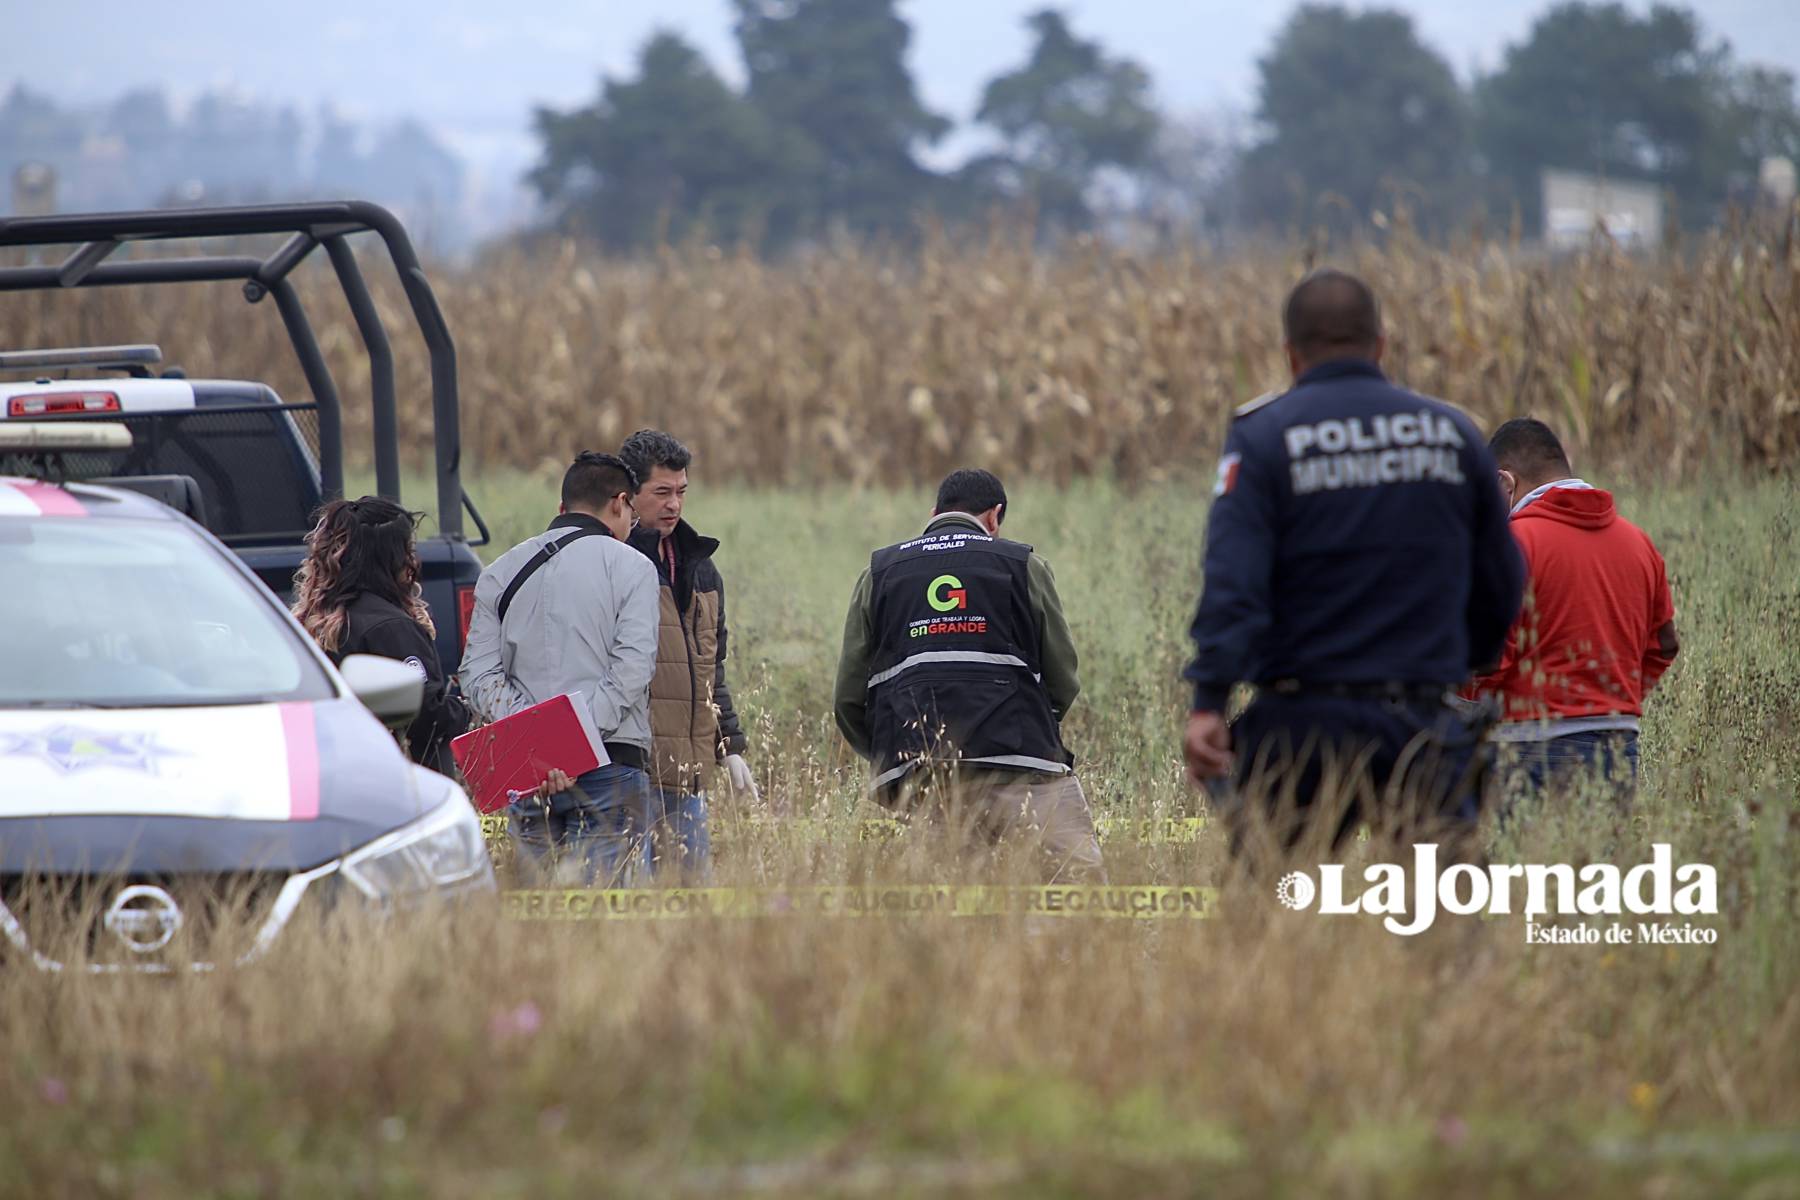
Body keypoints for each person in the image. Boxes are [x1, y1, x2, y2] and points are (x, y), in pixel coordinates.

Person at [1182, 269, 1526, 858]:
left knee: (1271, 917)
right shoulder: (1452, 435)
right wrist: (1458, 662)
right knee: (1443, 919)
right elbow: (1503, 577)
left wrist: (1210, 700)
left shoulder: (1265, 436)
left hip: (1301, 725)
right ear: (1381, 346)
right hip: (1423, 719)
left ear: (1291, 354)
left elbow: (1233, 583)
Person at [833, 468, 1102, 881]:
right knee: (1077, 894)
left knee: (945, 913)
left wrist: (895, 755)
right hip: (1024, 765)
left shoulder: (879, 574)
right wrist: (1029, 726)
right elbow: (1064, 678)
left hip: (927, 781)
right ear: (994, 517)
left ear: (934, 512)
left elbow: (848, 699)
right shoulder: (1023, 564)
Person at [458, 452, 660, 885]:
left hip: (525, 769)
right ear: (620, 503)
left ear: (562, 508)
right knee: (606, 926)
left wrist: (538, 745)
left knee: (534, 929)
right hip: (611, 764)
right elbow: (631, 671)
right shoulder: (634, 568)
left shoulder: (499, 572)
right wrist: (570, 747)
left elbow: (477, 676)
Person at [1473, 418, 1678, 808]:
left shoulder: (1512, 544)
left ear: (1505, 483)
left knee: (1524, 867)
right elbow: (1665, 643)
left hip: (1526, 746)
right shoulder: (1638, 543)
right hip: (1617, 744)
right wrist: (1615, 694)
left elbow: (1492, 652)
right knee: (1599, 866)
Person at [619, 430, 754, 881]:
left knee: (693, 913)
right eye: (661, 492)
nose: (674, 504)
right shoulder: (612, 563)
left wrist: (729, 746)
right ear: (629, 496)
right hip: (629, 773)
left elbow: (710, 668)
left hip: (687, 778)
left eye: (680, 492)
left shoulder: (702, 567)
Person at [292, 496, 469, 776]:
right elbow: (426, 714)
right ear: (390, 557)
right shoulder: (390, 628)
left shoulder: (321, 621)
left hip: (332, 776)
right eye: (407, 549)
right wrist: (464, 713)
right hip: (401, 786)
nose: (412, 560)